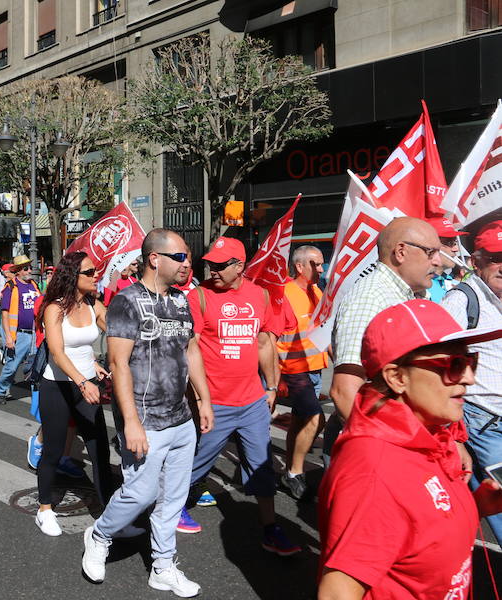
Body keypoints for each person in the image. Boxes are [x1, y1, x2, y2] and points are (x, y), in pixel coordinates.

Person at [317, 299, 502, 599]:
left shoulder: (426, 436)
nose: (469, 378)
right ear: (397, 377)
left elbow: (416, 526)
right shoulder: (374, 470)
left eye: (470, 362)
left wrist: (477, 507)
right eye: (454, 365)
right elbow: (337, 593)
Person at [81, 229, 213, 597]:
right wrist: (132, 424)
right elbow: (119, 364)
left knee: (173, 498)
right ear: (156, 259)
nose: (189, 264)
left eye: (188, 258)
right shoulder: (127, 302)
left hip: (181, 419)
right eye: (181, 257)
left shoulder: (181, 301)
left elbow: (192, 352)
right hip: (145, 422)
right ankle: (100, 534)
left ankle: (163, 565)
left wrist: (203, 400)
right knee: (139, 494)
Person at [182, 236, 299, 554]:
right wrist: (200, 398)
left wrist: (272, 388)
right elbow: (190, 348)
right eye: (210, 265)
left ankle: (270, 528)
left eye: (221, 266)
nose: (213, 270)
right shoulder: (199, 295)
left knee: (261, 466)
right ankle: (175, 505)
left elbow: (264, 344)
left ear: (240, 266)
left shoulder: (259, 295)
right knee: (196, 463)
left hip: (252, 402)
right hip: (215, 401)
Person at [329, 217, 443, 421]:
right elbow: (345, 390)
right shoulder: (370, 298)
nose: (438, 261)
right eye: (430, 252)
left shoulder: (407, 294)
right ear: (401, 252)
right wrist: (388, 446)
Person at [34, 252, 113, 536]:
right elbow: (57, 351)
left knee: (99, 451)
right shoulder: (54, 308)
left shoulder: (93, 303)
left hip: (87, 383)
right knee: (54, 451)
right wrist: (82, 380)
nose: (96, 276)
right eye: (89, 273)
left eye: (95, 272)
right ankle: (44, 509)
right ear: (72, 277)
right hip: (58, 387)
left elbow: (116, 331)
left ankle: (110, 516)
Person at [441, 219, 502, 543]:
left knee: (484, 495)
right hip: (484, 419)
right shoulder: (462, 300)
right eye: (495, 257)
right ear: (476, 261)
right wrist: (451, 431)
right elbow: (438, 363)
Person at [275, 246, 329, 500]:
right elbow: (271, 337)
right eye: (315, 264)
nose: (320, 269)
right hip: (294, 369)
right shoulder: (284, 293)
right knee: (316, 420)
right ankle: (295, 473)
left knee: (299, 421)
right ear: (299, 266)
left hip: (315, 368)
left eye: (321, 264)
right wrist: (278, 376)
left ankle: (290, 467)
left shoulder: (317, 291)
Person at [0, 255, 41, 405]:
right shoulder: (11, 287)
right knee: (11, 366)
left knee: (37, 363)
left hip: (35, 333)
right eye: (26, 268)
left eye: (30, 267)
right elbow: (5, 313)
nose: (29, 270)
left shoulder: (34, 284)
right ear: (18, 271)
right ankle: (1, 390)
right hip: (19, 334)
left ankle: (37, 389)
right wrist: (8, 336)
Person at [426, 217, 467, 302]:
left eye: (455, 242)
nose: (456, 249)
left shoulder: (452, 282)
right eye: (450, 243)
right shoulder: (419, 283)